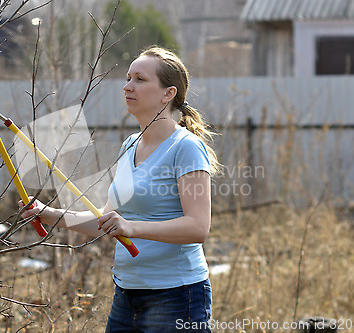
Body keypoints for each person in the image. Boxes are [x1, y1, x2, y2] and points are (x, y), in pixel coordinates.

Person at [19, 46, 220, 332]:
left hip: (176, 296)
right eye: (128, 78)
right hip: (126, 295)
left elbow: (198, 228)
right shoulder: (130, 145)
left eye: (140, 79)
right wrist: (46, 213)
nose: (127, 86)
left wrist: (132, 228)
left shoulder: (186, 147)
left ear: (168, 93)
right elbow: (106, 220)